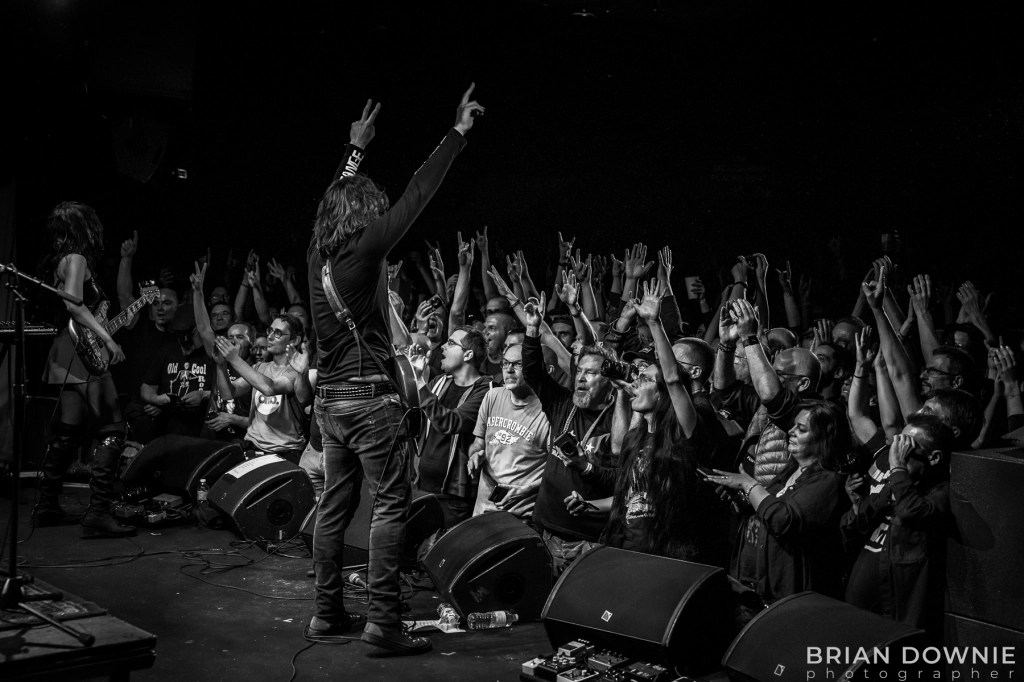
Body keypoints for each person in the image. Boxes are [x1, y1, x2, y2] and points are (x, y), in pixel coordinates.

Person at [305, 87, 483, 655]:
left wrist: (354, 149)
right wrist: (456, 135)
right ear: (364, 213)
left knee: (334, 505)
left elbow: (329, 200)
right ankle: (383, 622)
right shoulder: (368, 245)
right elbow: (418, 192)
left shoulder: (316, 254)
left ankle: (326, 614)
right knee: (389, 505)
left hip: (329, 402)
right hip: (369, 402)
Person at [35, 201, 135, 537]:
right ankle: (98, 513)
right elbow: (74, 305)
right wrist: (109, 339)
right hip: (81, 351)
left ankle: (47, 505)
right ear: (85, 228)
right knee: (112, 429)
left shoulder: (61, 260)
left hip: (65, 350)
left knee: (68, 430)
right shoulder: (76, 259)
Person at [710, 400, 850, 603]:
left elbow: (783, 519)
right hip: (751, 586)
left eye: (801, 429)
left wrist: (749, 485)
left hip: (783, 597)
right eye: (793, 425)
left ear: (823, 437)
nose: (790, 431)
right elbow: (768, 507)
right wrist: (743, 500)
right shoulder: (792, 468)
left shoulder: (828, 480)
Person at [843, 413, 954, 638]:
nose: (896, 454)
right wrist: (856, 504)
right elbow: (856, 527)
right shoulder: (898, 483)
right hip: (859, 612)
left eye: (905, 448)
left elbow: (910, 511)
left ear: (933, 458)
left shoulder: (942, 494)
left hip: (895, 618)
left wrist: (897, 468)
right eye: (897, 444)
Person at [412, 326, 493, 529]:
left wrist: (421, 382)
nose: (443, 348)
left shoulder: (486, 390)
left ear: (468, 354)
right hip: (422, 487)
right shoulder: (440, 381)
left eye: (450, 343)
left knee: (441, 557)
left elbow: (451, 423)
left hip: (454, 495)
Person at [466, 342, 551, 520]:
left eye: (518, 364)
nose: (509, 370)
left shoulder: (548, 413)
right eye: (505, 363)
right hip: (481, 511)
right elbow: (478, 443)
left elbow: (556, 470)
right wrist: (475, 455)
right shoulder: (493, 396)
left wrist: (527, 489)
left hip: (519, 517)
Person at [215, 313, 311, 462]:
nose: (270, 337)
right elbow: (228, 393)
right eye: (270, 331)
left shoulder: (295, 371)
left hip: (284, 451)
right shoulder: (260, 367)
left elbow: (269, 388)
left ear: (294, 340)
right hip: (253, 446)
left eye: (278, 333)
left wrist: (234, 359)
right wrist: (221, 365)